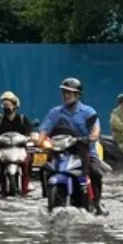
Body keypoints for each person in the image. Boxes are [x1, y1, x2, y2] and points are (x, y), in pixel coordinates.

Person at [37, 77, 106, 215]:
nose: (66, 95)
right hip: (60, 151)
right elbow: (44, 130)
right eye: (64, 92)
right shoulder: (55, 112)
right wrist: (39, 139)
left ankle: (97, 203)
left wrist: (93, 135)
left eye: (69, 92)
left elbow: (95, 128)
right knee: (43, 167)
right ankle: (47, 197)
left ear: (77, 94)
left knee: (96, 172)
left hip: (84, 151)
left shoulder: (88, 112)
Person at [0, 91, 33, 197]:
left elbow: (30, 132)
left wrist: (31, 136)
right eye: (4, 105)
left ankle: (27, 185)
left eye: (8, 104)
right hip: (3, 149)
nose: (6, 107)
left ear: (15, 105)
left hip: (20, 149)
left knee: (28, 163)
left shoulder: (23, 119)